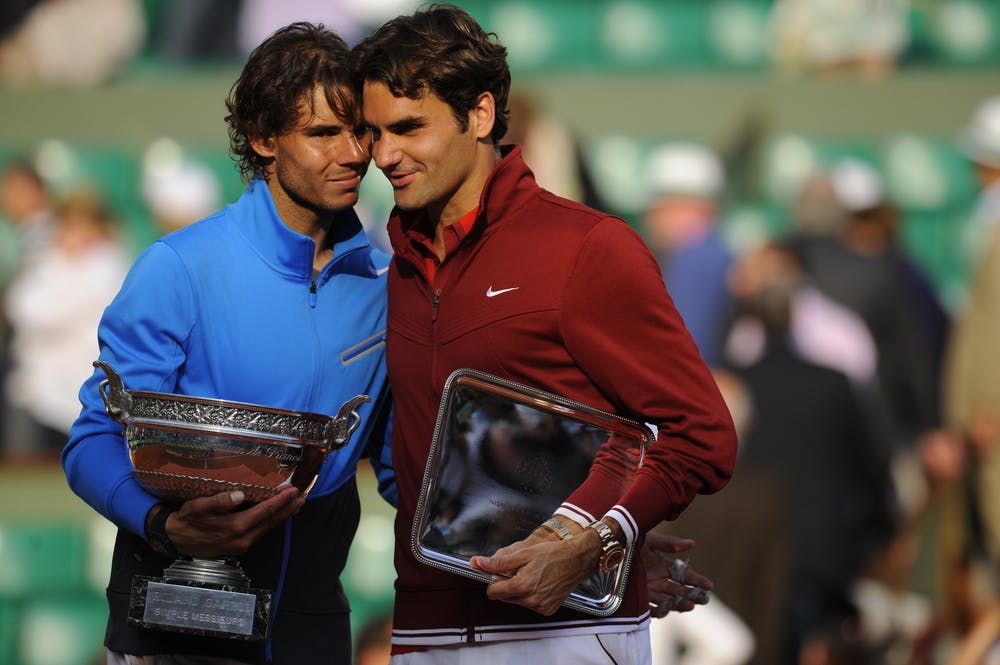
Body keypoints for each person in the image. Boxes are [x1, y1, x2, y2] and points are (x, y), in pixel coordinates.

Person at [353, 5, 738, 662]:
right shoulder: (393, 272)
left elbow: (702, 436)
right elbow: (423, 466)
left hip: (567, 639)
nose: (383, 155)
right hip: (422, 633)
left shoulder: (588, 248)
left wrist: (600, 542)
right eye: (373, 132)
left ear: (479, 116)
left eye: (409, 128)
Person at [62, 23, 394, 665]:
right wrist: (162, 524)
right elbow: (94, 439)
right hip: (175, 610)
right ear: (264, 139)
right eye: (323, 133)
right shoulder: (179, 266)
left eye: (361, 132)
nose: (353, 153)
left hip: (312, 620)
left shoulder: (386, 282)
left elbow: (397, 461)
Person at [4, 186, 130, 456]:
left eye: (82, 224)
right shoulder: (57, 262)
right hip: (41, 391)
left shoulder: (106, 267)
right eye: (68, 224)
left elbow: (40, 314)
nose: (72, 234)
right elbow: (18, 304)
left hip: (81, 393)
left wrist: (54, 262)